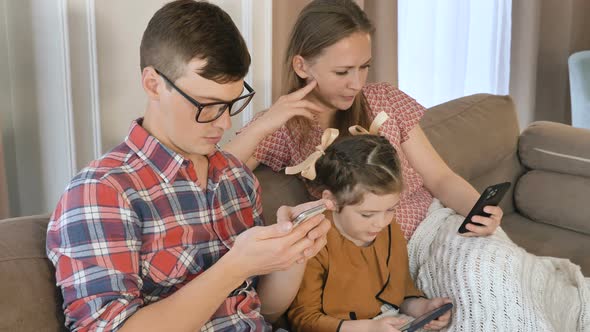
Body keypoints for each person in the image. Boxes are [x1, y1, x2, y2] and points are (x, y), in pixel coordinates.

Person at [227, 0, 590, 330]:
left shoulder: (384, 99)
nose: (356, 83)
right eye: (342, 72)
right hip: (372, 260)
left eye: (363, 67)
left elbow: (440, 177)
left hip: (434, 228)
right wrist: (265, 120)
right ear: (302, 65)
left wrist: (481, 210)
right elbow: (220, 170)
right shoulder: (286, 127)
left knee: (499, 274)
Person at [46, 1, 332, 331]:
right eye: (208, 106)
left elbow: (260, 311)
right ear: (153, 83)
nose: (225, 123)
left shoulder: (236, 178)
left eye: (232, 104)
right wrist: (234, 267)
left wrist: (291, 256)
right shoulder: (102, 191)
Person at [285, 133, 452, 332]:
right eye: (367, 214)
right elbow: (304, 320)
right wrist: (368, 328)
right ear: (332, 201)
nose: (380, 223)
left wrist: (422, 307)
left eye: (390, 209)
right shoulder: (314, 242)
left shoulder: (389, 229)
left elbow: (400, 294)